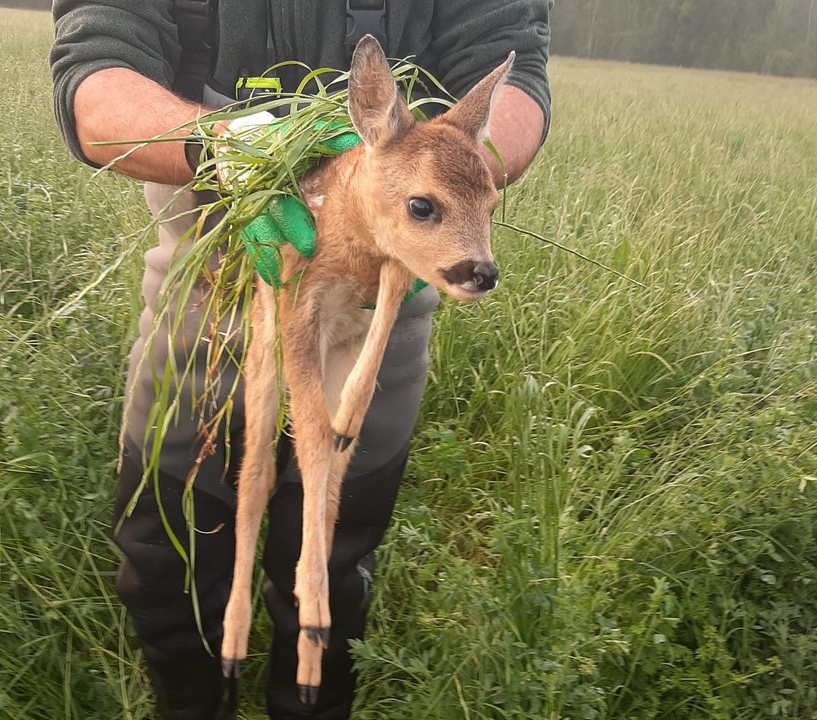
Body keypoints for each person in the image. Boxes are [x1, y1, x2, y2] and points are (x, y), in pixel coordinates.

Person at [49, 2, 552, 718]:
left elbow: (512, 70)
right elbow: (96, 72)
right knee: (170, 552)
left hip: (383, 270)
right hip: (218, 248)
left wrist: (425, 173)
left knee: (332, 559)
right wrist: (230, 148)